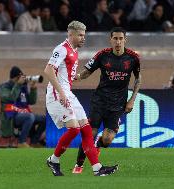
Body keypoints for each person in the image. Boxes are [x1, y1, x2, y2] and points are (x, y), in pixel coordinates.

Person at [44, 21, 118, 176]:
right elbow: (48, 71)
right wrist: (62, 93)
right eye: (80, 35)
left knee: (86, 130)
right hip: (57, 94)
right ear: (70, 34)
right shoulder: (61, 49)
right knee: (74, 129)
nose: (83, 38)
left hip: (68, 93)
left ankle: (97, 168)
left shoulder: (74, 51)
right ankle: (54, 159)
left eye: (84, 35)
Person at [72, 27, 142, 174]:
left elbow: (138, 79)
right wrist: (74, 77)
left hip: (118, 105)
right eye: (115, 39)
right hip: (100, 101)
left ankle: (97, 145)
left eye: (120, 39)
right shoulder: (102, 55)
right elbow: (86, 73)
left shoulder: (133, 58)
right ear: (110, 40)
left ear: (125, 40)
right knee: (90, 133)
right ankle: (79, 164)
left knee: (107, 139)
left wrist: (132, 100)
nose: (118, 42)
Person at [0, 66, 46, 148]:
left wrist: (33, 88)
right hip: (12, 117)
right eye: (19, 77)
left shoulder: (23, 86)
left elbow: (32, 101)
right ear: (15, 77)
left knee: (44, 119)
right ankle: (21, 142)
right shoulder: (4, 87)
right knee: (30, 117)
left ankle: (34, 142)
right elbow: (11, 98)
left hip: (24, 113)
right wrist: (18, 85)